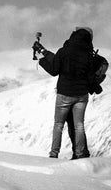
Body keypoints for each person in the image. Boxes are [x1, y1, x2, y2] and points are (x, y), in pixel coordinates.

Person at [33, 27, 95, 159]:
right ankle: (80, 154)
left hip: (65, 94)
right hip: (81, 96)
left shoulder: (64, 51)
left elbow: (54, 70)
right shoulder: (88, 55)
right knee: (79, 126)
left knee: (58, 125)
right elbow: (90, 77)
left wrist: (42, 60)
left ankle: (54, 154)